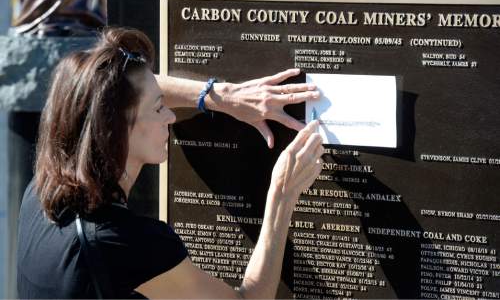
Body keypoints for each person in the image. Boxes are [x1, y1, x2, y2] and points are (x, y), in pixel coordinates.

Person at [17, 27, 324, 298]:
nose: (172, 116)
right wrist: (282, 196)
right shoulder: (128, 244)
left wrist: (223, 96)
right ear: (114, 129)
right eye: (159, 107)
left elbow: (117, 90)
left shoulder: (39, 194)